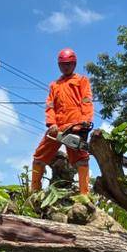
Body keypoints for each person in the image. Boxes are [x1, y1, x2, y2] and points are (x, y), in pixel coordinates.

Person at [31, 48, 94, 195]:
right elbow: (50, 106)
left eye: (69, 64)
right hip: (57, 128)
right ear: (59, 65)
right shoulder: (54, 85)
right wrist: (51, 123)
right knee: (39, 156)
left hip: (75, 126)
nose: (66, 66)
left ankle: (84, 195)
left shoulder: (81, 81)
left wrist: (85, 121)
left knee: (82, 159)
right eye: (63, 64)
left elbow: (86, 101)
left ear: (74, 64)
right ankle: (34, 192)